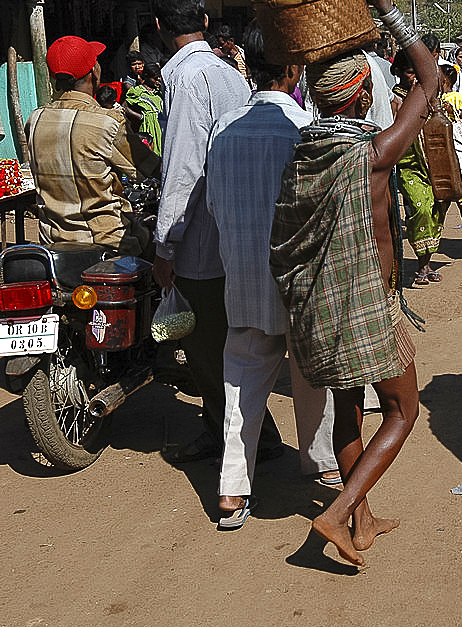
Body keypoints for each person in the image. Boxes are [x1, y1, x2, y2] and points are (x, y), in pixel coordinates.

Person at [269, 0, 437, 566]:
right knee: (403, 411)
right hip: (368, 306)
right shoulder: (375, 153)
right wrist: (388, 10)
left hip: (323, 308)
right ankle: (338, 512)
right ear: (363, 94)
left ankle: (361, 518)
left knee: (349, 406)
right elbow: (432, 78)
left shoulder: (303, 153)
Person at [205, 27, 343, 529]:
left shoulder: (224, 129)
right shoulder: (307, 127)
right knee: (311, 375)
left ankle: (232, 492)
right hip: (300, 279)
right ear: (293, 69)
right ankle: (323, 464)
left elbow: (215, 203)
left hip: (242, 275)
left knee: (242, 379)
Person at [151, 0, 281, 466]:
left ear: (162, 28)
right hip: (233, 228)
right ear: (205, 22)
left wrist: (165, 244)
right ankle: (250, 431)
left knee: (207, 349)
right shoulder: (227, 71)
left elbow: (182, 168)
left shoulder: (186, 78)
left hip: (201, 239)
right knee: (229, 341)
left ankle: (244, 439)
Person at [26, 35, 156, 256]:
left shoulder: (35, 119)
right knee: (161, 251)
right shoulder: (107, 123)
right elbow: (149, 168)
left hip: (53, 241)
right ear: (94, 71)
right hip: (107, 242)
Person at [391, 51, 447, 285]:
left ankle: (426, 262)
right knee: (419, 207)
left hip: (432, 161)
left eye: (417, 72)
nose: (413, 77)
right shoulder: (395, 98)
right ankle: (421, 264)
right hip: (407, 163)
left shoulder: (427, 94)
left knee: (435, 209)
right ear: (399, 73)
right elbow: (397, 128)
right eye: (409, 72)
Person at [124, 62, 164, 155]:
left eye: (159, 77)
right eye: (155, 78)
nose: (158, 80)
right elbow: (124, 106)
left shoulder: (159, 92)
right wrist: (140, 116)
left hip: (161, 127)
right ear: (147, 77)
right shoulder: (137, 91)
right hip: (149, 127)